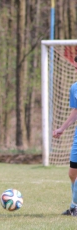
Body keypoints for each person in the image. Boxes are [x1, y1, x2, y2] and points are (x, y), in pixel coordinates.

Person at [53, 56, 77, 216]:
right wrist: (62, 128)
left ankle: (74, 207)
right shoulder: (74, 88)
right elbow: (75, 111)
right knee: (72, 174)